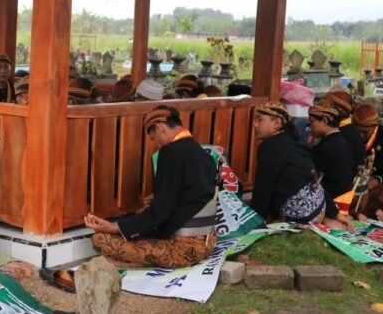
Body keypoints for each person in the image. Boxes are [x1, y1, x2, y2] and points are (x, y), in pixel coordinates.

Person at [84, 106, 217, 268]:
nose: (156, 144)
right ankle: (138, 258)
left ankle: (135, 262)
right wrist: (160, 197)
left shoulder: (170, 152)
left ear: (160, 127)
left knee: (100, 239)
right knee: (143, 213)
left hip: (184, 249)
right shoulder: (203, 153)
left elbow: (159, 213)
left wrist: (114, 227)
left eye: (153, 138)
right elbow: (197, 192)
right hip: (208, 243)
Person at [250, 102, 328, 224]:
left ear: (277, 123)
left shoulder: (269, 146)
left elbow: (263, 188)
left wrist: (254, 222)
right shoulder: (293, 140)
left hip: (300, 215)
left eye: (259, 120)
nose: (254, 125)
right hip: (319, 207)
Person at [351, 103, 383, 221]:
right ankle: (367, 212)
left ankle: (362, 212)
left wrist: (378, 179)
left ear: (375, 126)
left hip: (376, 188)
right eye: (358, 131)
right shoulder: (348, 137)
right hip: (353, 187)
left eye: (365, 132)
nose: (361, 135)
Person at [308, 104, 356, 229]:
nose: (309, 125)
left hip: (331, 203)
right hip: (346, 200)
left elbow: (313, 182)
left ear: (324, 121)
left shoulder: (322, 149)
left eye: (312, 121)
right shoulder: (345, 143)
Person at [323, 90, 366, 174]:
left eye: (327, 107)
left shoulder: (348, 134)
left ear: (338, 110)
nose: (324, 110)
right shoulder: (340, 129)